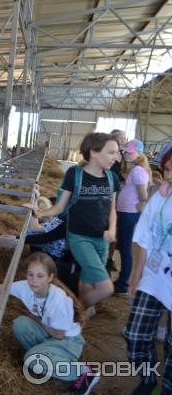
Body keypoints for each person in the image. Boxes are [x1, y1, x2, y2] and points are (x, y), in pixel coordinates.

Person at [0, 252, 99, 394]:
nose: (33, 281)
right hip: (51, 335)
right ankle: (45, 357)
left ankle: (84, 372)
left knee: (31, 359)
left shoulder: (58, 300)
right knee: (20, 324)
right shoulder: (25, 287)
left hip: (67, 342)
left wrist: (37, 319)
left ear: (50, 277)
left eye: (40, 276)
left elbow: (58, 334)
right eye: (30, 274)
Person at [26, 132, 120, 314]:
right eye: (111, 152)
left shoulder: (112, 179)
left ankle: (78, 319)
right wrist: (40, 212)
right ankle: (74, 313)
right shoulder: (74, 175)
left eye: (116, 153)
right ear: (93, 152)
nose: (116, 158)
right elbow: (60, 207)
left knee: (87, 282)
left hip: (101, 239)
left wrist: (112, 229)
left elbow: (112, 209)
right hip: (79, 238)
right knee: (106, 288)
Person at [123, 145, 172, 395]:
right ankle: (148, 376)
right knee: (135, 332)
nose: (170, 177)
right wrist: (134, 277)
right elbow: (145, 239)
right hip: (154, 276)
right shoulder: (161, 198)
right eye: (167, 170)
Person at [114, 139, 151, 294]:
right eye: (126, 151)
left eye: (130, 152)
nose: (127, 154)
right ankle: (122, 280)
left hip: (128, 214)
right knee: (123, 246)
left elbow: (144, 197)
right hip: (125, 212)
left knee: (125, 248)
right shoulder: (132, 169)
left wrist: (138, 208)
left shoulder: (137, 170)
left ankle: (123, 284)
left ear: (139, 153)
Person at [107, 129, 128, 272]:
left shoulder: (127, 156)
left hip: (121, 196)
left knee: (116, 226)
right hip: (108, 192)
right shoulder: (110, 155)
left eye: (125, 139)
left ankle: (110, 258)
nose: (124, 142)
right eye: (121, 139)